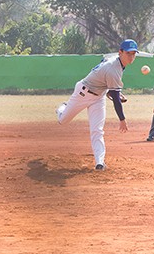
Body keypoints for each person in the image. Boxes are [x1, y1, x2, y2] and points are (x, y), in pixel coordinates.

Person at [56, 39, 137, 170]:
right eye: (128, 53)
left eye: (134, 53)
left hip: (99, 97)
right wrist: (122, 119)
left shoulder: (115, 60)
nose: (131, 56)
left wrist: (110, 90)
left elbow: (103, 69)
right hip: (83, 93)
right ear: (120, 52)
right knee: (63, 120)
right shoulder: (113, 69)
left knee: (97, 130)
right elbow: (116, 99)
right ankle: (62, 108)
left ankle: (99, 163)